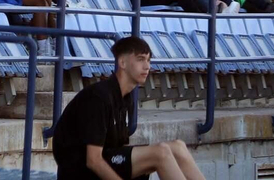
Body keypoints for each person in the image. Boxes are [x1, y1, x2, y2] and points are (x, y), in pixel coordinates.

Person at [52, 35, 207, 180]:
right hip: (79, 171)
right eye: (140, 59)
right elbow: (93, 161)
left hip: (106, 159)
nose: (147, 66)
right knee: (161, 152)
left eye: (148, 60)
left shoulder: (125, 97)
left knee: (178, 147)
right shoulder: (99, 97)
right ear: (123, 63)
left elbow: (119, 149)